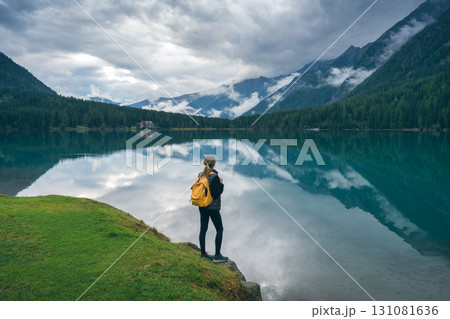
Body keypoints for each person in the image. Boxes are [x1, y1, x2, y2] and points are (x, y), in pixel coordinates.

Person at [198, 155, 228, 262]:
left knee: (203, 229)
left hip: (202, 206)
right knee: (219, 229)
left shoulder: (201, 175)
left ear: (204, 163)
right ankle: (217, 256)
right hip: (213, 207)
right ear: (214, 164)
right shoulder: (214, 176)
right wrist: (221, 184)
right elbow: (216, 194)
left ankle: (203, 254)